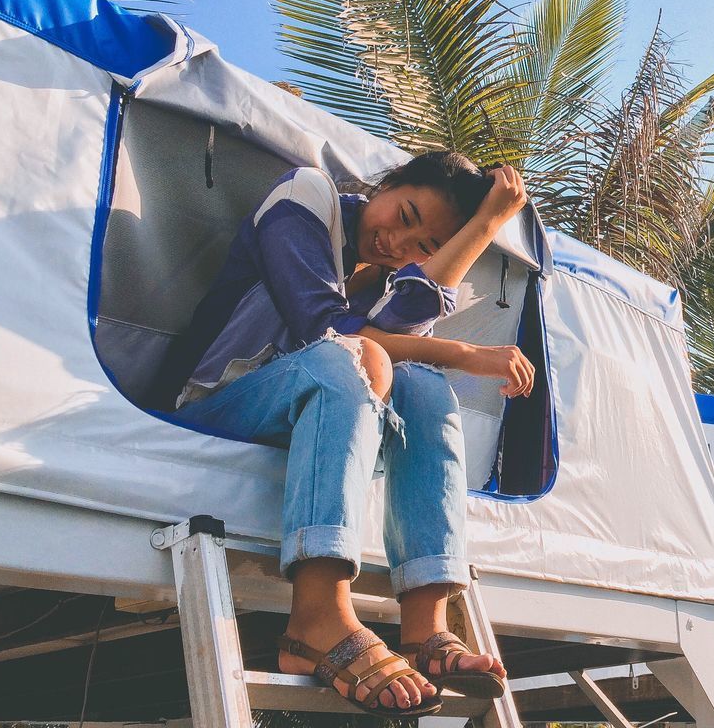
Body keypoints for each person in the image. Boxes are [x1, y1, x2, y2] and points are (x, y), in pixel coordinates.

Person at [160, 151, 534, 715]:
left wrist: (485, 227)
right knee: (350, 358)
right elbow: (327, 329)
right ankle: (316, 616)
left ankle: (425, 625)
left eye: (423, 248)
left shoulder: (388, 281)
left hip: (308, 413)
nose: (397, 245)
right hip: (219, 402)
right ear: (389, 182)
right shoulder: (306, 197)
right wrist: (468, 353)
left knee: (426, 389)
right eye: (404, 215)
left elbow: (397, 331)